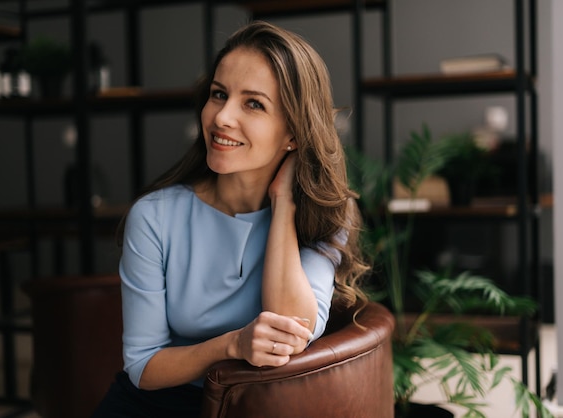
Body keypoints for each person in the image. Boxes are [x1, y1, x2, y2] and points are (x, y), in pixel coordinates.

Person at [92, 20, 369, 417]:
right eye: (218, 94)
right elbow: (143, 366)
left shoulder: (323, 213)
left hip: (258, 408)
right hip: (152, 407)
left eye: (253, 103)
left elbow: (294, 329)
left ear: (293, 132)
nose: (222, 117)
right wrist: (232, 346)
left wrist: (284, 206)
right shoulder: (154, 217)